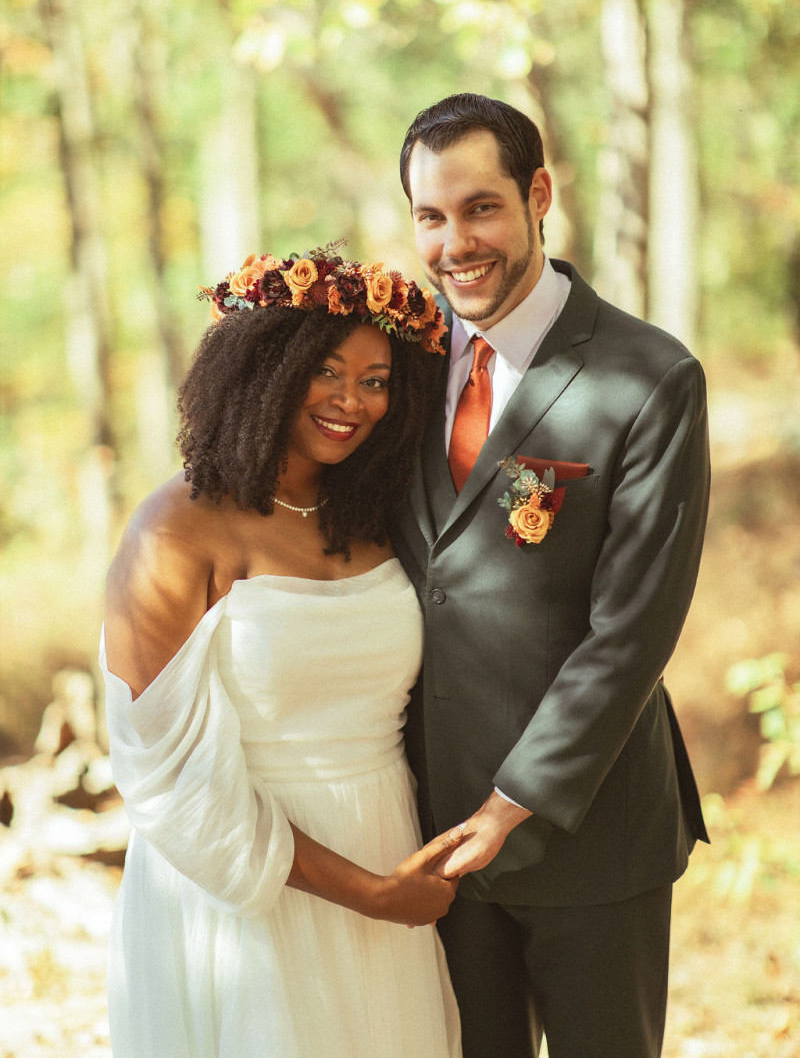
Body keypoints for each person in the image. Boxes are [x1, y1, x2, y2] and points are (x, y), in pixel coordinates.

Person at [391, 93, 711, 1058]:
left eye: (480, 207)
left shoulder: (648, 377)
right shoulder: (391, 369)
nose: (456, 244)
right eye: (431, 217)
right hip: (424, 836)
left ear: (539, 196)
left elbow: (632, 633)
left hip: (590, 834)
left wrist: (511, 802)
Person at [100, 241, 462, 1058]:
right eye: (326, 372)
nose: (352, 401)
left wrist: (393, 888)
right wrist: (366, 893)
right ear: (261, 369)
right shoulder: (176, 529)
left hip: (389, 849)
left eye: (376, 382)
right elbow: (163, 775)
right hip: (243, 890)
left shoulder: (374, 512)